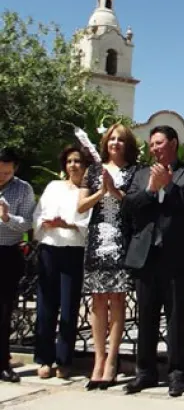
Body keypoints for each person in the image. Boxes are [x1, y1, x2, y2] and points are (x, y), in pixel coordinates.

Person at [121, 125, 184, 397]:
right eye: (152, 144)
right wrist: (150, 189)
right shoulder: (140, 173)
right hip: (145, 257)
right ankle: (144, 372)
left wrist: (168, 186)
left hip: (177, 258)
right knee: (145, 317)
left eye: (159, 143)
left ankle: (178, 373)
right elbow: (129, 206)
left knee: (177, 318)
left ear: (173, 143)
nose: (154, 148)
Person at [77, 123, 139, 389]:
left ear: (128, 145)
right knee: (97, 301)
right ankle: (98, 359)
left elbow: (136, 204)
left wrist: (114, 190)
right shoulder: (92, 171)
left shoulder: (135, 171)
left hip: (122, 241)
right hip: (97, 240)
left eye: (121, 140)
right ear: (105, 143)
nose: (116, 143)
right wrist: (101, 192)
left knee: (117, 299)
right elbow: (80, 206)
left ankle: (113, 359)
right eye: (112, 139)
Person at [32, 145, 91, 379]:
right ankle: (44, 358)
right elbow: (38, 213)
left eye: (77, 161)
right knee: (45, 306)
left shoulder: (89, 191)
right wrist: (45, 223)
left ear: (85, 166)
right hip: (49, 248)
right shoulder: (53, 187)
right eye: (69, 161)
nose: (73, 165)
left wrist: (68, 224)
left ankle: (64, 359)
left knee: (68, 307)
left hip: (73, 250)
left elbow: (89, 223)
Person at [0, 147, 35, 383]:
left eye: (6, 172)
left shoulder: (23, 189)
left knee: (4, 311)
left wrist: (7, 218)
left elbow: (28, 223)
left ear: (15, 169)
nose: (2, 176)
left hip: (6, 254)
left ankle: (3, 362)